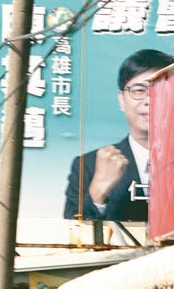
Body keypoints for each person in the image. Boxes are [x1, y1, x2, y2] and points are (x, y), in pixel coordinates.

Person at [65, 47, 174, 221]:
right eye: (139, 90)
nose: (149, 101)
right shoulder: (88, 166)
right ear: (122, 100)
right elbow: (72, 236)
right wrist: (97, 191)